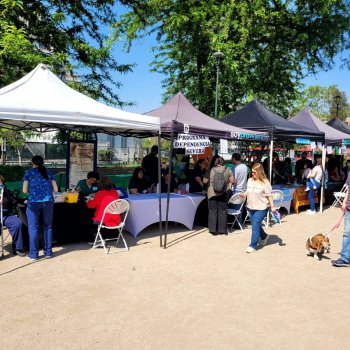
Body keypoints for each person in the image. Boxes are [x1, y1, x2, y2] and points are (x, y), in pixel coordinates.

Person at [22, 155, 58, 260]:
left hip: (33, 203)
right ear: (43, 162)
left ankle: (34, 255)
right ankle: (48, 253)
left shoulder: (28, 173)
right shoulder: (49, 172)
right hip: (48, 202)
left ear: (32, 162)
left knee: (33, 227)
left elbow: (24, 191)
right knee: (48, 226)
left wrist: (33, 194)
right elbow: (55, 189)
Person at [240, 163, 277, 253]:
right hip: (250, 207)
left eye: (255, 172)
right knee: (255, 225)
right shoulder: (250, 180)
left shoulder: (265, 182)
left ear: (260, 172)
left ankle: (252, 245)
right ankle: (264, 236)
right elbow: (248, 190)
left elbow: (269, 195)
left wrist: (272, 207)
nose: (253, 174)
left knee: (255, 225)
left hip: (262, 207)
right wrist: (244, 194)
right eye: (252, 172)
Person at [203, 156, 234, 235]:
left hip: (212, 193)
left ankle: (212, 230)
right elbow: (232, 180)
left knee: (212, 211)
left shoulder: (210, 170)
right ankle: (222, 230)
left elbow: (205, 181)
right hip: (224, 193)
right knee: (223, 211)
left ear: (215, 162)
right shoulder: (227, 169)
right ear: (222, 162)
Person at [0, 175, 26, 257]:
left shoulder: (6, 192)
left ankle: (17, 248)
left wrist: (24, 200)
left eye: (0, 182)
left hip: (6, 215)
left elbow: (14, 200)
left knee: (17, 223)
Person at [331, 172, 350, 267]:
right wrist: (344, 202)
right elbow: (348, 189)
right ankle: (344, 258)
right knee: (347, 234)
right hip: (349, 208)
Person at [231, 153, 248, 226]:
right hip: (244, 189)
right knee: (241, 208)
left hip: (237, 190)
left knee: (236, 209)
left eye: (232, 158)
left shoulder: (235, 168)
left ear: (234, 158)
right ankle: (240, 222)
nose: (231, 159)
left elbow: (234, 181)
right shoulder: (245, 166)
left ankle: (238, 224)